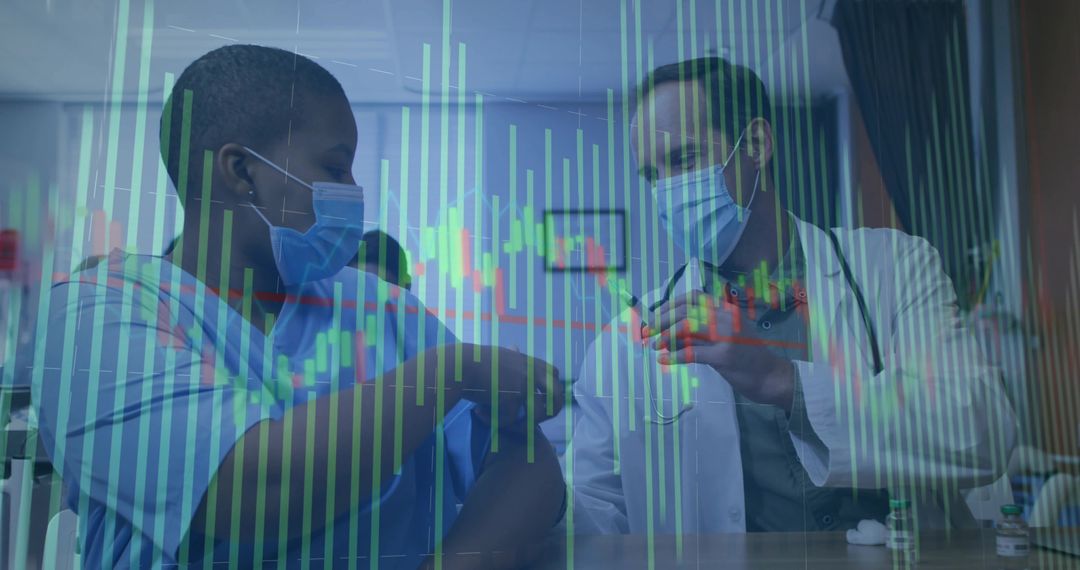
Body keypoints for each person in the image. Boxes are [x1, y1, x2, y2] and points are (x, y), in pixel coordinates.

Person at [33, 45, 565, 569]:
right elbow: (256, 492)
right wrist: (450, 371)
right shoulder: (97, 318)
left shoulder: (379, 307)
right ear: (241, 171)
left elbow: (527, 462)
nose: (353, 191)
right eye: (335, 168)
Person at [570, 57, 1017, 534]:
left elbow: (983, 431)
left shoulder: (893, 267)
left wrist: (783, 382)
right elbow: (590, 515)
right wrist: (516, 461)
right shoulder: (625, 341)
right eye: (652, 176)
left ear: (757, 144)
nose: (668, 190)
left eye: (684, 159)